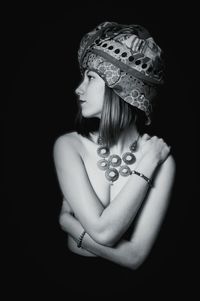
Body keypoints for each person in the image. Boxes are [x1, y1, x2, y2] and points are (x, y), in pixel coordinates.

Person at [53, 21, 176, 292]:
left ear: (118, 87)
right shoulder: (68, 146)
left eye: (91, 78)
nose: (78, 89)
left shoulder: (161, 159)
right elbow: (105, 236)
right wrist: (147, 165)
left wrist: (71, 226)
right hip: (71, 284)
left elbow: (134, 257)